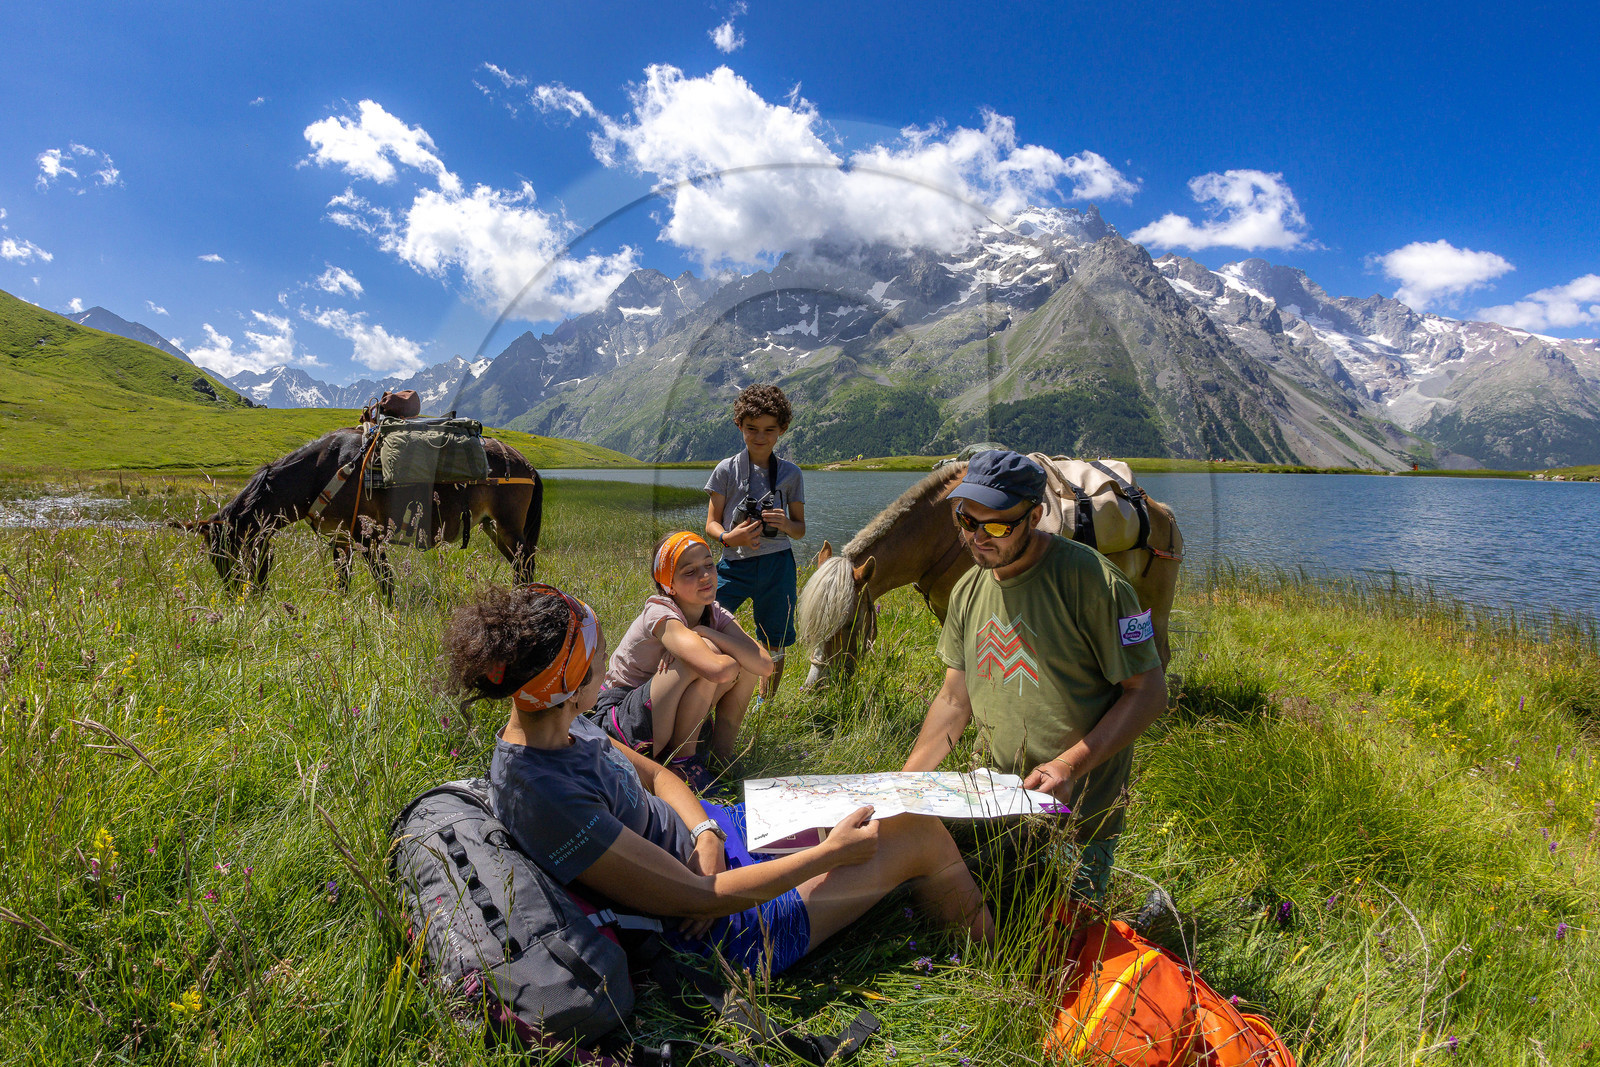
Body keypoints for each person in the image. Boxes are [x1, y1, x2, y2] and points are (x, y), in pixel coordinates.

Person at [445, 582, 994, 979]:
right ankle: (996, 971)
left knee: (866, 796)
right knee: (917, 829)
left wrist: (706, 832)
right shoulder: (546, 795)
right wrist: (830, 857)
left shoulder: (557, 724)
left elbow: (660, 778)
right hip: (722, 935)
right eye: (595, 664)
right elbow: (695, 902)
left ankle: (936, 906)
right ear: (570, 683)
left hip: (718, 847)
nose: (605, 670)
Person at [900, 450, 1167, 901]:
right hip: (994, 801)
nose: (979, 538)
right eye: (967, 521)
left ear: (1036, 515)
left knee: (1063, 934)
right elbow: (953, 700)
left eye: (998, 526)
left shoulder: (1094, 583)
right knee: (966, 911)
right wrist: (904, 787)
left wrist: (1067, 765)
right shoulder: (968, 591)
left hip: (1079, 812)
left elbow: (1148, 693)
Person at [593, 531, 771, 790]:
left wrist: (705, 632)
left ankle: (719, 758)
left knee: (740, 660)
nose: (705, 576)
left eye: (709, 565)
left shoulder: (713, 613)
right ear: (669, 585)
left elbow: (764, 665)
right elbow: (719, 671)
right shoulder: (660, 611)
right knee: (713, 655)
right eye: (690, 572)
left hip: (666, 714)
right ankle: (682, 761)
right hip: (623, 721)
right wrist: (721, 652)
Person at [705, 384, 805, 700]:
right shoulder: (725, 470)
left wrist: (784, 523)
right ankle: (710, 695)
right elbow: (711, 523)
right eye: (751, 429)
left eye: (769, 430)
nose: (760, 437)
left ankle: (766, 704)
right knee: (707, 625)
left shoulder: (791, 474)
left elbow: (800, 529)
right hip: (733, 565)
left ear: (782, 430)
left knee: (775, 640)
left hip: (778, 567)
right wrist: (728, 537)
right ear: (739, 426)